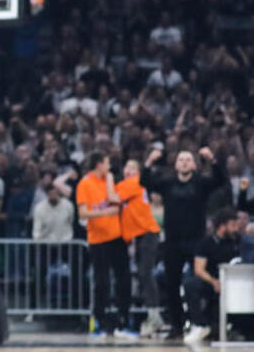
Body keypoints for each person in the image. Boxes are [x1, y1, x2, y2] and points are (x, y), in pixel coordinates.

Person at [142, 146, 225, 340]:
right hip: (172, 242)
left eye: (188, 159)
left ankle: (202, 322)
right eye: (181, 159)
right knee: (172, 284)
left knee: (197, 282)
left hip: (196, 241)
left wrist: (212, 160)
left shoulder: (201, 182)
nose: (184, 162)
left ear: (194, 165)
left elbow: (220, 180)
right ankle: (176, 326)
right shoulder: (168, 183)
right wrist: (149, 162)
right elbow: (145, 182)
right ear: (176, 165)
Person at [75, 152, 134, 338]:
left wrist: (110, 182)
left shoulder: (110, 181)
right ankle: (99, 321)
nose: (109, 167)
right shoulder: (85, 184)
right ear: (99, 164)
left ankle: (123, 320)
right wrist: (105, 212)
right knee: (101, 282)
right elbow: (83, 213)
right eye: (107, 163)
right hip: (98, 239)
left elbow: (117, 202)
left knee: (124, 279)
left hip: (117, 237)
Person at [115, 159, 163, 337]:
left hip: (148, 233)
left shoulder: (135, 183)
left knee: (145, 273)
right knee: (143, 275)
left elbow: (113, 198)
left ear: (138, 173)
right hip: (139, 235)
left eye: (133, 168)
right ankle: (154, 316)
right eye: (126, 167)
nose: (129, 170)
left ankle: (155, 316)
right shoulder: (126, 185)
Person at [183, 208, 239, 343]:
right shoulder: (206, 243)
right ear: (222, 226)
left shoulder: (238, 241)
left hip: (233, 281)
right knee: (191, 284)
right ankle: (200, 325)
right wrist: (214, 281)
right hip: (211, 281)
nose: (236, 229)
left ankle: (238, 328)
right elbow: (199, 269)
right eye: (233, 225)